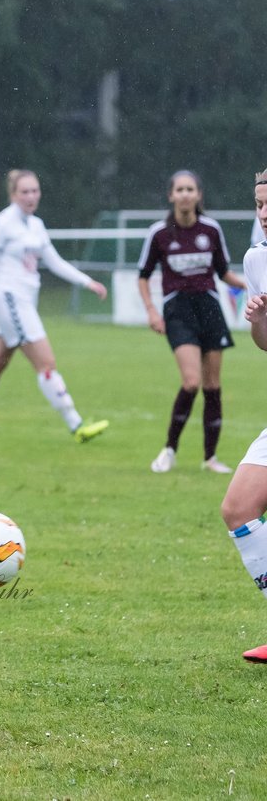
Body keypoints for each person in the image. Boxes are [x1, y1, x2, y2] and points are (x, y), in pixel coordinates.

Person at [0, 169, 110, 444]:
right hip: (8, 298)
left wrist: (87, 282)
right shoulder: (2, 224)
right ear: (13, 195)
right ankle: (76, 425)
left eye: (35, 190)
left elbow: (54, 262)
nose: (31, 197)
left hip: (24, 300)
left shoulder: (36, 225)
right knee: (46, 363)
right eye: (24, 192)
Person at [137, 170, 245, 474]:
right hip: (177, 310)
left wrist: (253, 286)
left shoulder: (210, 229)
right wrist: (151, 311)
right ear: (171, 195)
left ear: (199, 195)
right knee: (192, 381)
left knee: (213, 384)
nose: (185, 194)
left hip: (209, 307)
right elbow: (143, 277)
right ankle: (169, 449)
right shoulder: (159, 233)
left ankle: (210, 458)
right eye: (180, 189)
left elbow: (224, 273)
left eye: (190, 189)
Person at [220, 168, 267, 662]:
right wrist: (259, 320)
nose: (265, 212)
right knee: (238, 509)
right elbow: (265, 345)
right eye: (258, 204)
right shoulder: (258, 260)